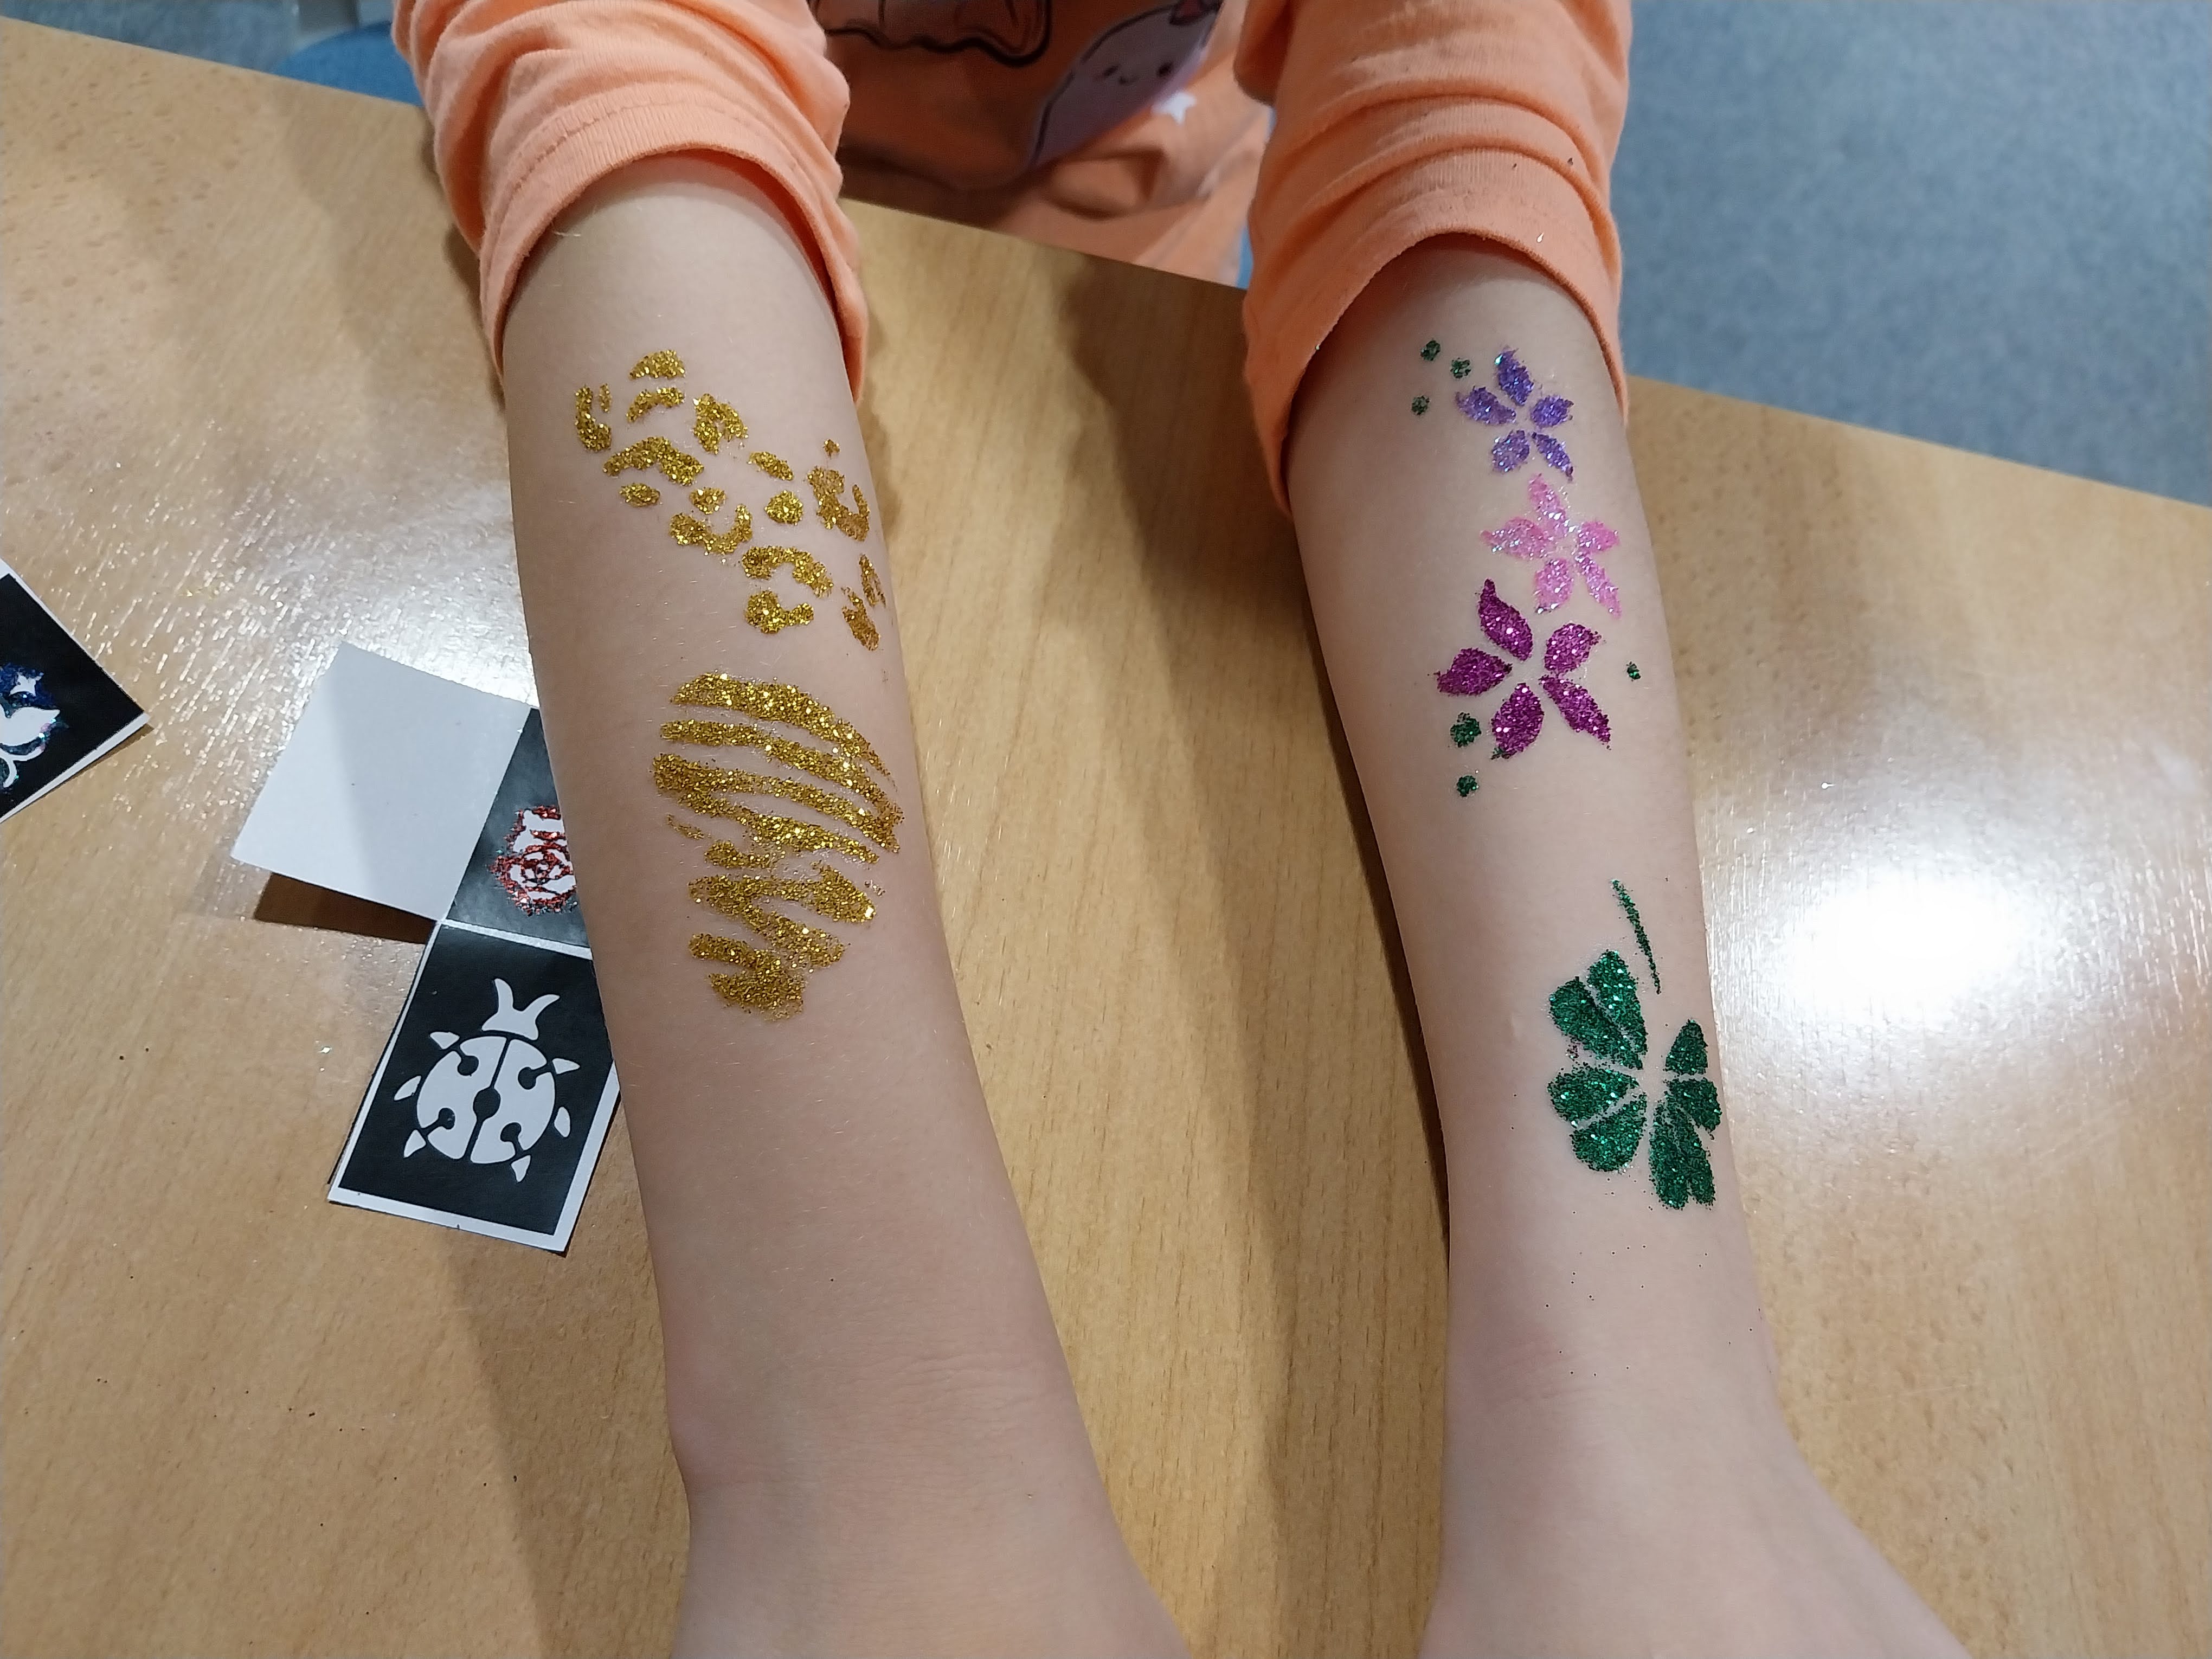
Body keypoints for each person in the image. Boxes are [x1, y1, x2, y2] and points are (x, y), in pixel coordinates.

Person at [394, 1, 1969, 1651]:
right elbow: (623, 60)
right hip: (659, 259)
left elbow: (1448, 126)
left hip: (1155, 285)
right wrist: (861, 1441)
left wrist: (1654, 1421)